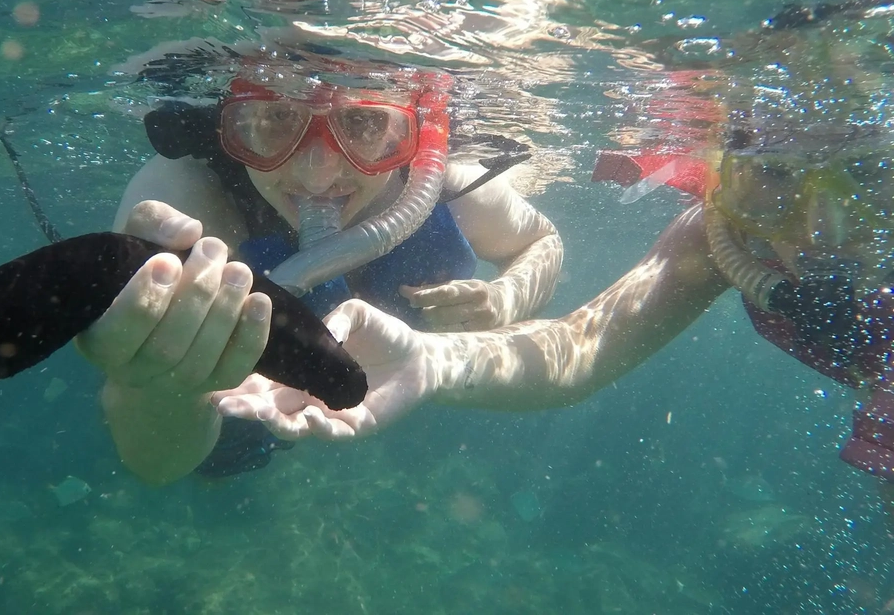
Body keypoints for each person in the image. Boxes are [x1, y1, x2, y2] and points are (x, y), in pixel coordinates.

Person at [211, 118, 892, 482]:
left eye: (868, 174)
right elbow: (579, 346)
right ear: (719, 170)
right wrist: (432, 360)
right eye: (772, 175)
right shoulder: (719, 241)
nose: (817, 228)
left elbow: (540, 246)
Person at [74, 48, 565, 485]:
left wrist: (507, 297)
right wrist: (169, 390)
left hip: (401, 388)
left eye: (364, 124)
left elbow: (543, 241)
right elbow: (153, 462)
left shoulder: (447, 185)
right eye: (274, 121)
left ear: (414, 138)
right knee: (226, 459)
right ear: (231, 130)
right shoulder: (189, 202)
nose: (317, 176)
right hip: (242, 423)